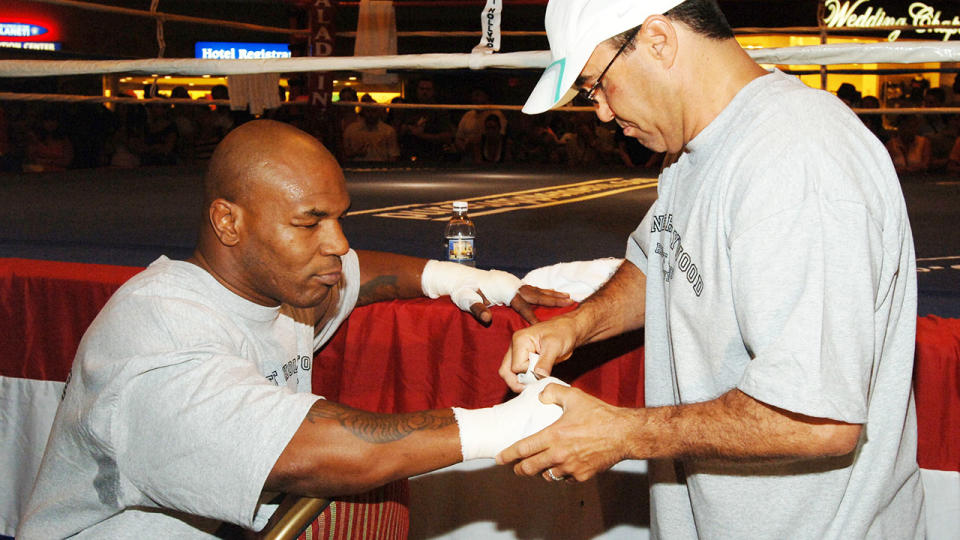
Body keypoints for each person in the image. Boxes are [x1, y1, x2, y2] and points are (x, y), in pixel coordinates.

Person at [18, 119, 573, 538]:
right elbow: (324, 448)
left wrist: (465, 280)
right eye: (309, 222)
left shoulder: (282, 285)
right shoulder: (159, 337)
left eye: (339, 218)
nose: (336, 243)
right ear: (227, 221)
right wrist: (510, 423)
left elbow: (366, 272)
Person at [498, 1, 924, 538]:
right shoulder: (696, 145)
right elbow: (662, 257)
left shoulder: (798, 164)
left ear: (658, 39)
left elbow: (819, 421)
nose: (601, 111)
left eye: (597, 85)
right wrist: (578, 325)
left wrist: (623, 434)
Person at [342, 94, 400, 162]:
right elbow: (344, 154)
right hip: (356, 167)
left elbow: (393, 155)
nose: (371, 114)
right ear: (363, 112)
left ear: (379, 112)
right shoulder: (351, 130)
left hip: (381, 168)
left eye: (374, 111)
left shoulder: (388, 131)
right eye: (368, 111)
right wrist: (356, 153)